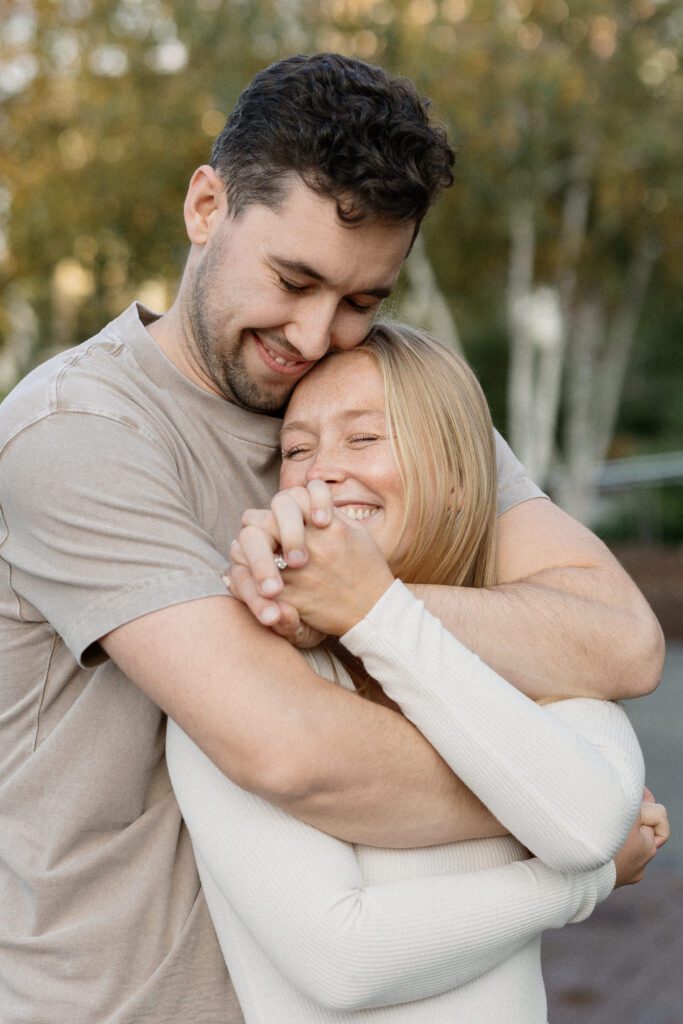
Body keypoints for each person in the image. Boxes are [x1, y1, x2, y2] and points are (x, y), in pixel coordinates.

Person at [0, 54, 663, 1024]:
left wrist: (369, 607)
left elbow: (619, 638)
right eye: (293, 279)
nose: (314, 336)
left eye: (361, 300)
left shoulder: (381, 401)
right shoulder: (78, 432)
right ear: (204, 208)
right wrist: (568, 809)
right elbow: (293, 752)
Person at [166, 323, 668, 1022]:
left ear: (462, 482)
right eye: (296, 449)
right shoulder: (250, 672)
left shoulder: (529, 649)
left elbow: (581, 825)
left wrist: (375, 612)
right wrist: (582, 887)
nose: (321, 469)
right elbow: (341, 960)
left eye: (363, 438)